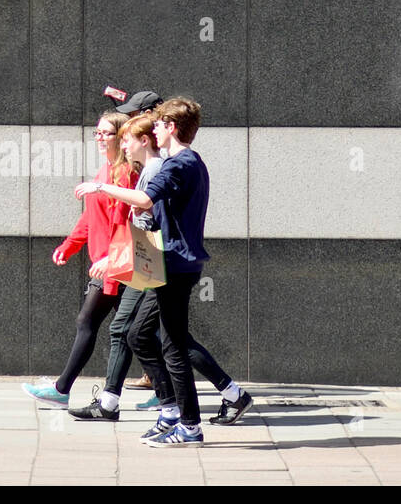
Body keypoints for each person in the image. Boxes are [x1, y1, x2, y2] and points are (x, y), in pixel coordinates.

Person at [70, 109, 251, 425]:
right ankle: (209, 402)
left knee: (148, 335)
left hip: (160, 262)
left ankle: (177, 414)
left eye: (123, 139)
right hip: (156, 261)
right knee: (150, 335)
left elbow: (145, 209)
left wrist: (113, 256)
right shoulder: (160, 165)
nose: (123, 146)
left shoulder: (162, 167)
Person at [74, 97, 211, 446]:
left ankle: (188, 425)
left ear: (172, 129)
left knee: (174, 347)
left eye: (161, 124)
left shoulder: (177, 164)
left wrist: (100, 186)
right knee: (144, 336)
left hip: (175, 265)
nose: (156, 129)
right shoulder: (189, 162)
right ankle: (175, 417)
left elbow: (146, 201)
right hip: (176, 262)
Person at [22, 111, 135, 408]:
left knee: (97, 323)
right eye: (97, 132)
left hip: (116, 265)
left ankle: (63, 390)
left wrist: (111, 258)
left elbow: (125, 224)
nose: (99, 138)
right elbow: (91, 217)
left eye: (106, 133)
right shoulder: (106, 171)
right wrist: (70, 246)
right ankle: (170, 397)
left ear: (123, 137)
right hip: (107, 262)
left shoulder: (123, 175)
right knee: (139, 334)